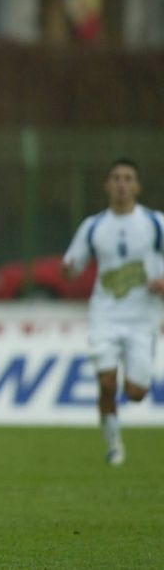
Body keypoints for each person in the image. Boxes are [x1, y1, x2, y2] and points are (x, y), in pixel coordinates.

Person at [62, 158, 164, 466]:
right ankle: (114, 446)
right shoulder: (94, 226)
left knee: (135, 392)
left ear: (137, 186)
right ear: (107, 185)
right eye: (116, 178)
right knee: (106, 382)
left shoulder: (155, 223)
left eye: (128, 178)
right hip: (104, 315)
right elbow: (72, 266)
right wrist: (67, 269)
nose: (122, 184)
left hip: (143, 318)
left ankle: (127, 393)